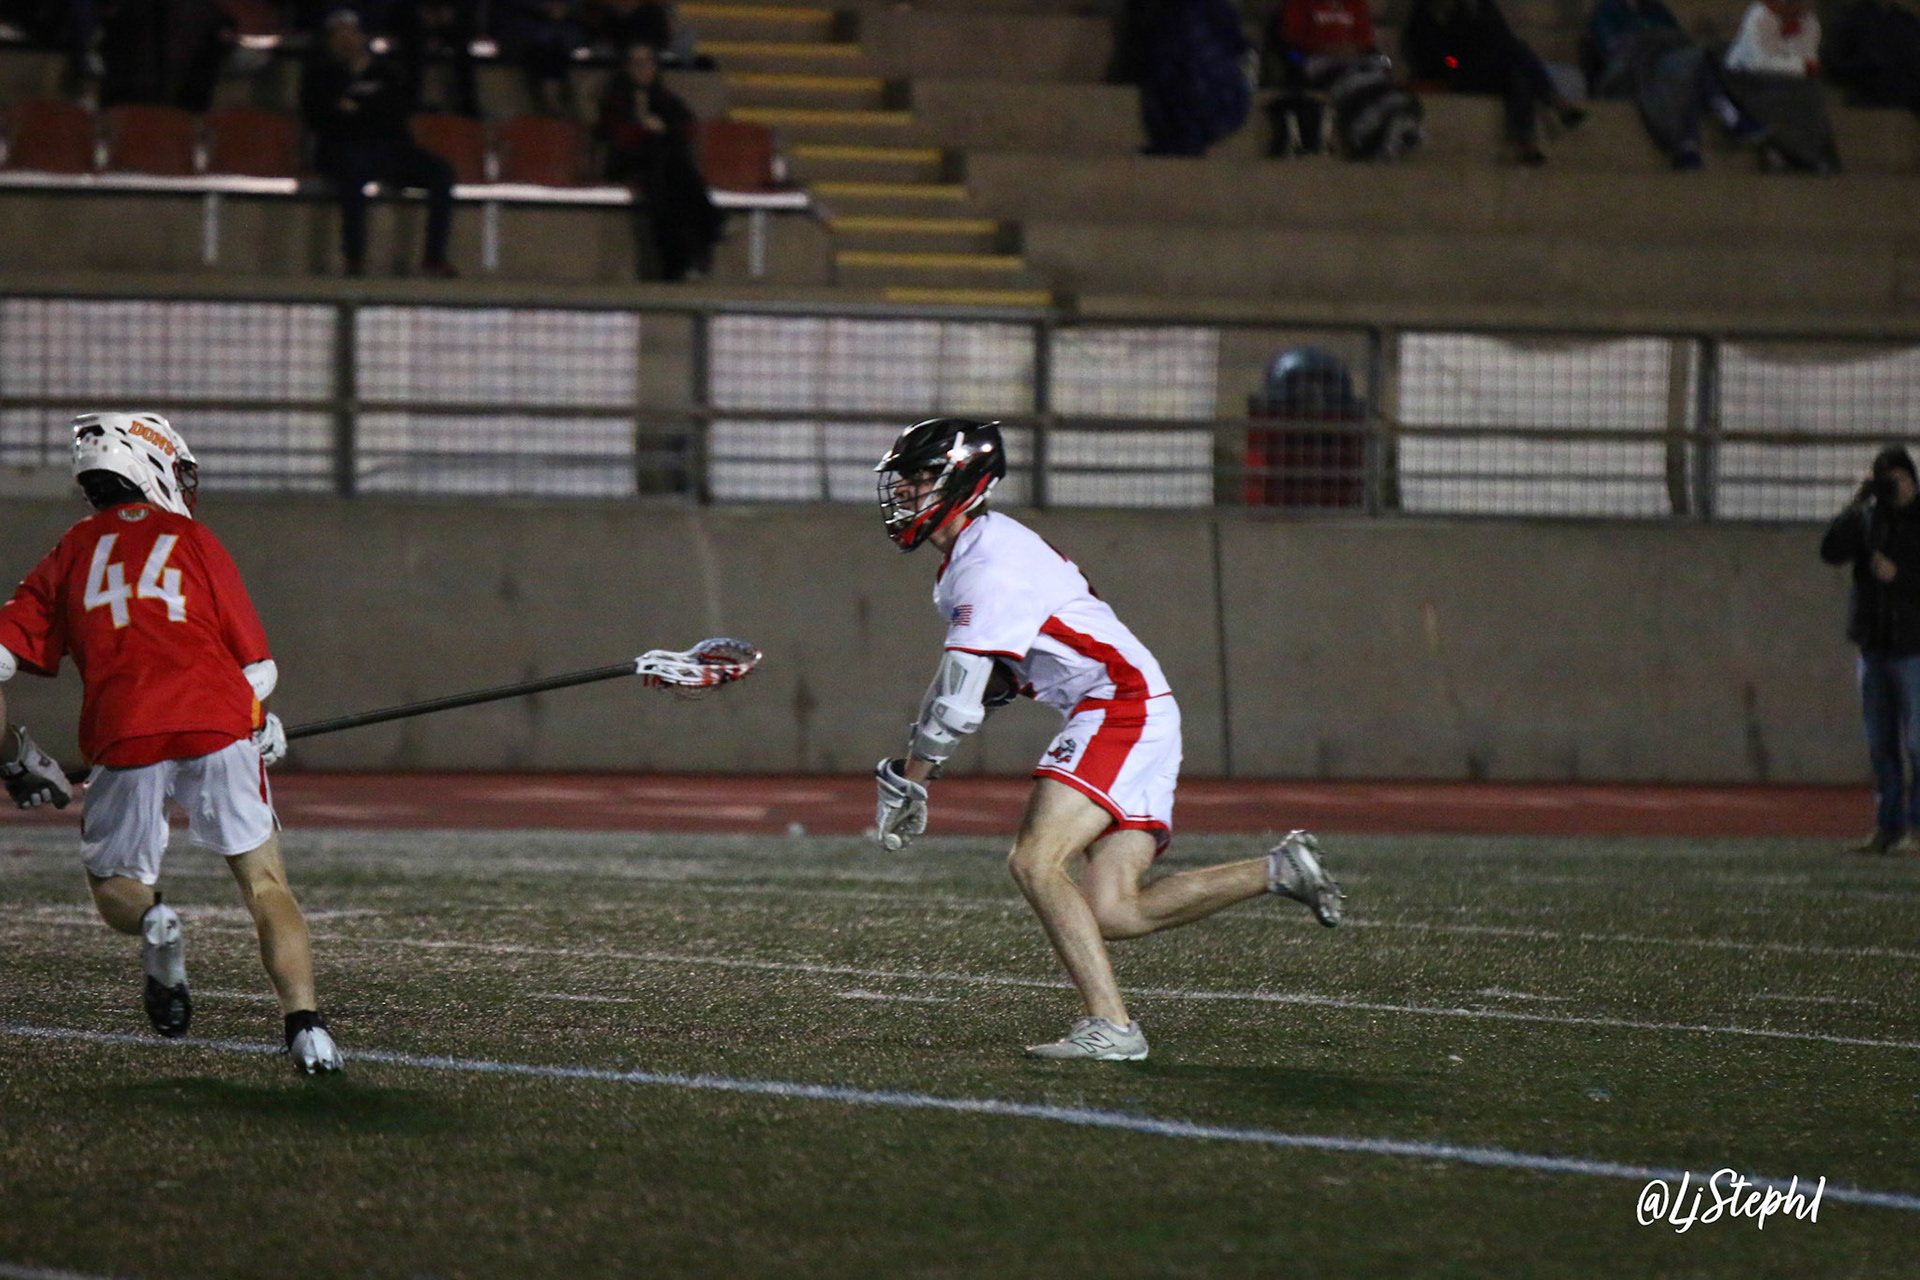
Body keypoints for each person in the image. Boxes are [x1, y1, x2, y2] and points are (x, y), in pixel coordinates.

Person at [869, 418, 1345, 1061]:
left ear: (964, 480)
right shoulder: (980, 552)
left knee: (1035, 862)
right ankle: (1278, 870)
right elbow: (991, 680)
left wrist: (913, 777)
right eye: (904, 479)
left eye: (921, 477)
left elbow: (958, 695)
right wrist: (918, 763)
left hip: (1118, 707)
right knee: (1115, 911)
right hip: (1136, 707)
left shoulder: (987, 563)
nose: (905, 491)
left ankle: (1113, 1027)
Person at [0, 412, 343, 1074]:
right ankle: (307, 1029)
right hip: (216, 718)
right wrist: (256, 720)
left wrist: (13, 756)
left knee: (116, 886)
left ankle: (156, 921)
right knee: (266, 883)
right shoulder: (192, 537)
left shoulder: (70, 551)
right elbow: (257, 668)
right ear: (149, 463)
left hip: (123, 727)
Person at [300, 8, 458, 278]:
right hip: (341, 150)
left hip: (389, 149)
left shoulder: (387, 73)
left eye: (351, 33)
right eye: (338, 35)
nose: (346, 40)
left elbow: (394, 114)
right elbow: (320, 118)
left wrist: (353, 109)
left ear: (363, 37)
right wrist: (365, 112)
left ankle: (434, 258)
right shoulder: (320, 76)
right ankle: (355, 258)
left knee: (442, 172)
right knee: (353, 169)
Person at [1820, 445, 1920, 854]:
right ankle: (1888, 827)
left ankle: (1918, 830)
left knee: (1917, 744)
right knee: (1881, 745)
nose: (1896, 487)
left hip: (1914, 647)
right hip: (1874, 646)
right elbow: (1830, 551)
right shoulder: (1867, 518)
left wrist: (1901, 575)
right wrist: (1855, 504)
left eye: (1900, 478)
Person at [1401, 0, 1586, 164]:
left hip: (1485, 69)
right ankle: (1554, 102)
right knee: (1517, 53)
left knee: (1517, 76)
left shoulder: (1479, 5)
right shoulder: (1430, 9)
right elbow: (1429, 51)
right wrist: (1453, 64)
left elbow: (1500, 35)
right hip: (1454, 71)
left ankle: (1528, 143)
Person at [596, 42, 723, 282]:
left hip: (662, 168)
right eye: (636, 63)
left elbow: (687, 127)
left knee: (665, 183)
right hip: (630, 163)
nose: (642, 69)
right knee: (667, 169)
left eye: (647, 62)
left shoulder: (664, 97)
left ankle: (677, 260)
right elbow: (617, 136)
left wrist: (663, 130)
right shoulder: (616, 99)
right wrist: (646, 129)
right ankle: (709, 223)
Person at [1587, 0, 1753, 169]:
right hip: (1633, 70)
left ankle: (1689, 146)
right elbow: (1614, 49)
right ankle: (1727, 116)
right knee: (1689, 67)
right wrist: (1653, 42)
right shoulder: (1606, 11)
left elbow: (1679, 39)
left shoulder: (1656, 10)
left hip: (1671, 65)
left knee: (1698, 63)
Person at [1263, 0, 1423, 159]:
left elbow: (1366, 42)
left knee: (1377, 69)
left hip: (1354, 58)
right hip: (1313, 58)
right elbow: (1288, 42)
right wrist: (1323, 48)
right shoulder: (1299, 3)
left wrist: (1354, 49)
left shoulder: (1356, 3)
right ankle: (1371, 127)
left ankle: (1392, 117)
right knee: (1353, 80)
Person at [1720, 0, 1839, 171]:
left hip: (1787, 80)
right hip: (1746, 79)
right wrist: (1801, 67)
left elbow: (1808, 57)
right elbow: (1760, 61)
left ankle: (1812, 153)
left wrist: (1800, 64)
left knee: (1809, 91)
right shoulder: (1760, 16)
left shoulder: (1809, 22)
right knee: (1787, 97)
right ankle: (1786, 150)